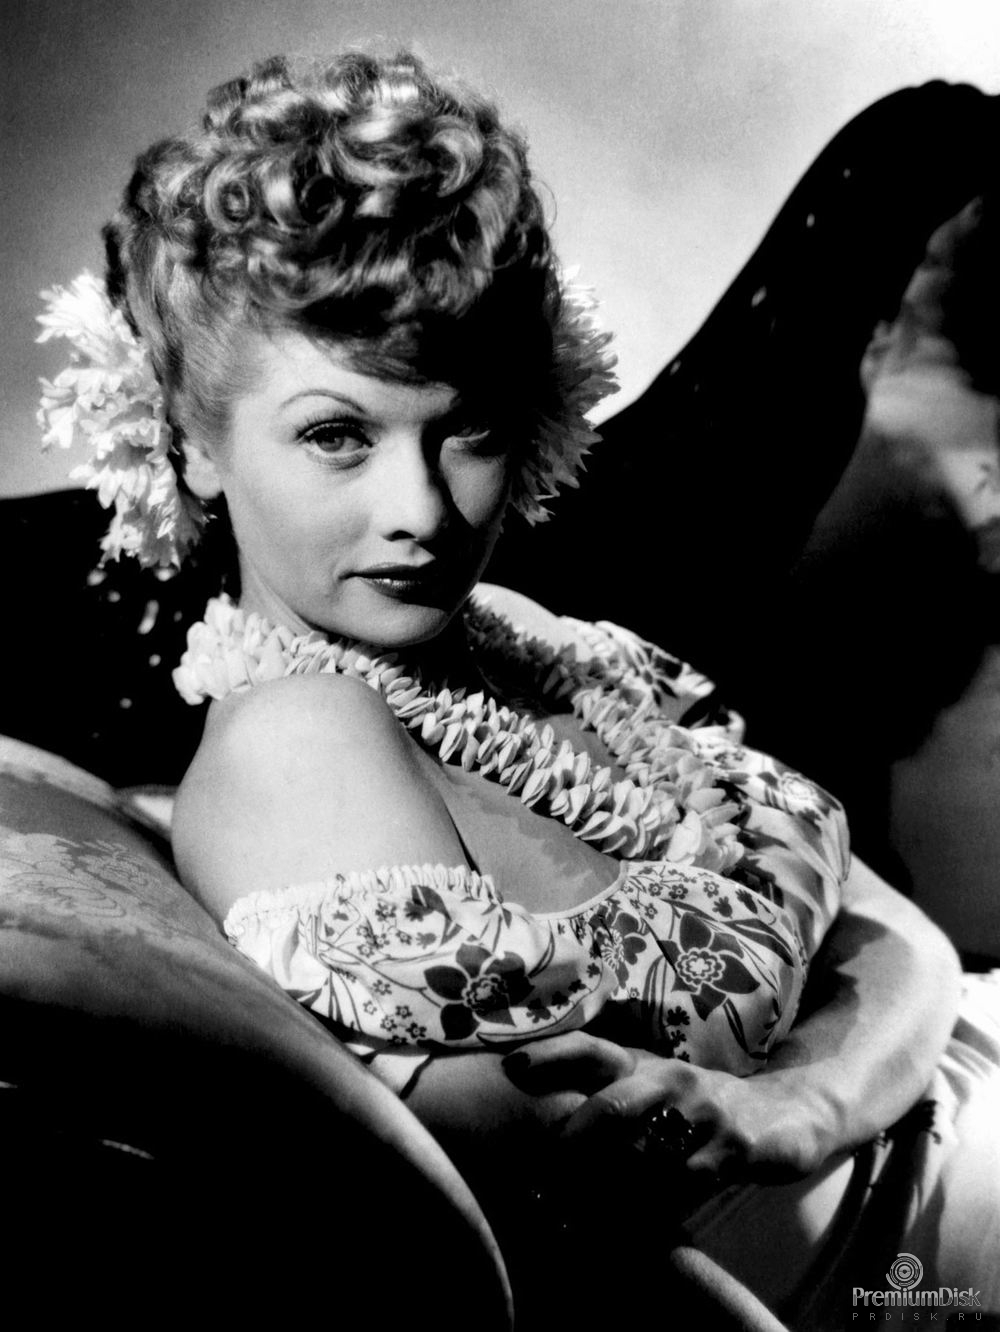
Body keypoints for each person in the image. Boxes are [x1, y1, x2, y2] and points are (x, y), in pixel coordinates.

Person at [37, 49, 1000, 1328]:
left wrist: (799, 1103)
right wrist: (822, 1082)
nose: (423, 511)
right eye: (337, 435)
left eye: (471, 428)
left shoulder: (524, 640)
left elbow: (908, 939)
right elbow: (579, 1218)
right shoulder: (299, 740)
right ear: (196, 445)